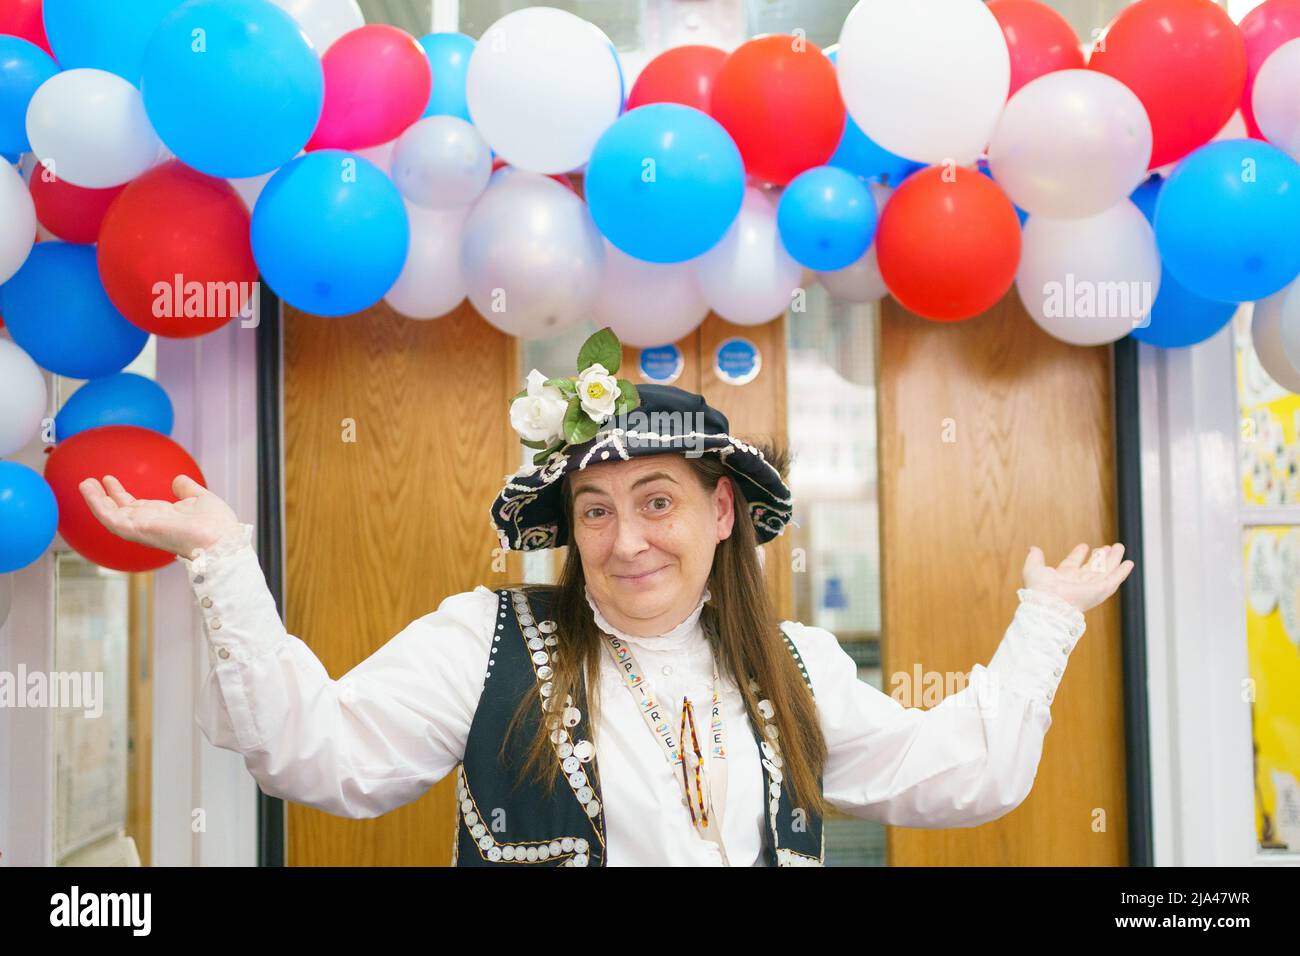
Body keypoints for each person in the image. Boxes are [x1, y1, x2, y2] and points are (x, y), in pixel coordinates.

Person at [78, 327, 1134, 867]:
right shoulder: (481, 639)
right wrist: (222, 559)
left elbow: (963, 773)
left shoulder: (798, 665)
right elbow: (310, 751)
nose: (624, 539)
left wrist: (1043, 621)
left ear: (723, 514)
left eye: (657, 501)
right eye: (594, 509)